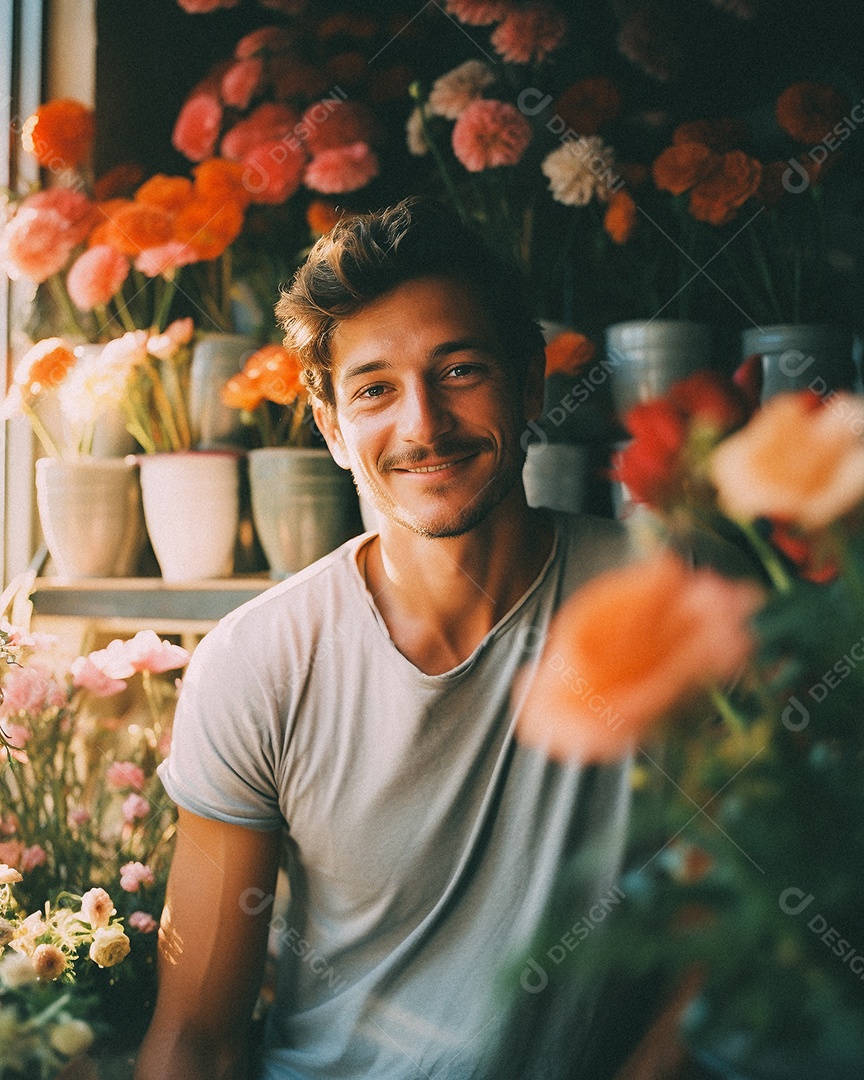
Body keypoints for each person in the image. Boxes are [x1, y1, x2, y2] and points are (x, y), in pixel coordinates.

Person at [134, 197, 634, 1080]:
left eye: (459, 371)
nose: (422, 426)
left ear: (530, 385)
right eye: (374, 390)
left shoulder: (667, 600)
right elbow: (198, 1039)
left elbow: (754, 916)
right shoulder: (259, 663)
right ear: (331, 428)